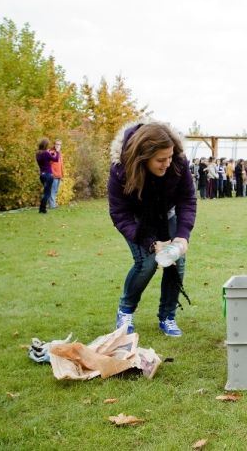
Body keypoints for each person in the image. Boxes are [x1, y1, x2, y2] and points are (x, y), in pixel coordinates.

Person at [107, 120, 197, 337]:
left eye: (170, 157)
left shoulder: (177, 162)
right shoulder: (120, 170)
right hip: (138, 220)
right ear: (143, 158)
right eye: (160, 160)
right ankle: (125, 311)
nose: (167, 163)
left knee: (176, 262)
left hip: (168, 213)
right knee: (146, 263)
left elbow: (187, 199)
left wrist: (182, 236)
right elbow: (120, 214)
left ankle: (168, 316)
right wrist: (151, 243)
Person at [35, 139, 59, 214]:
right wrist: (57, 151)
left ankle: (41, 209)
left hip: (42, 175)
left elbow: (47, 158)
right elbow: (56, 159)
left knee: (46, 192)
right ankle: (43, 209)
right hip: (49, 175)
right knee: (47, 193)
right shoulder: (46, 153)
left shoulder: (38, 153)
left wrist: (49, 153)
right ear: (46, 146)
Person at [48, 139, 64, 209]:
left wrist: (62, 175)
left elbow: (61, 165)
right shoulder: (52, 152)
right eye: (57, 144)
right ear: (54, 145)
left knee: (55, 190)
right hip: (53, 175)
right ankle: (52, 205)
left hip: (59, 175)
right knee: (52, 190)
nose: (58, 146)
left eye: (59, 144)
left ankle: (53, 203)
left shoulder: (60, 153)